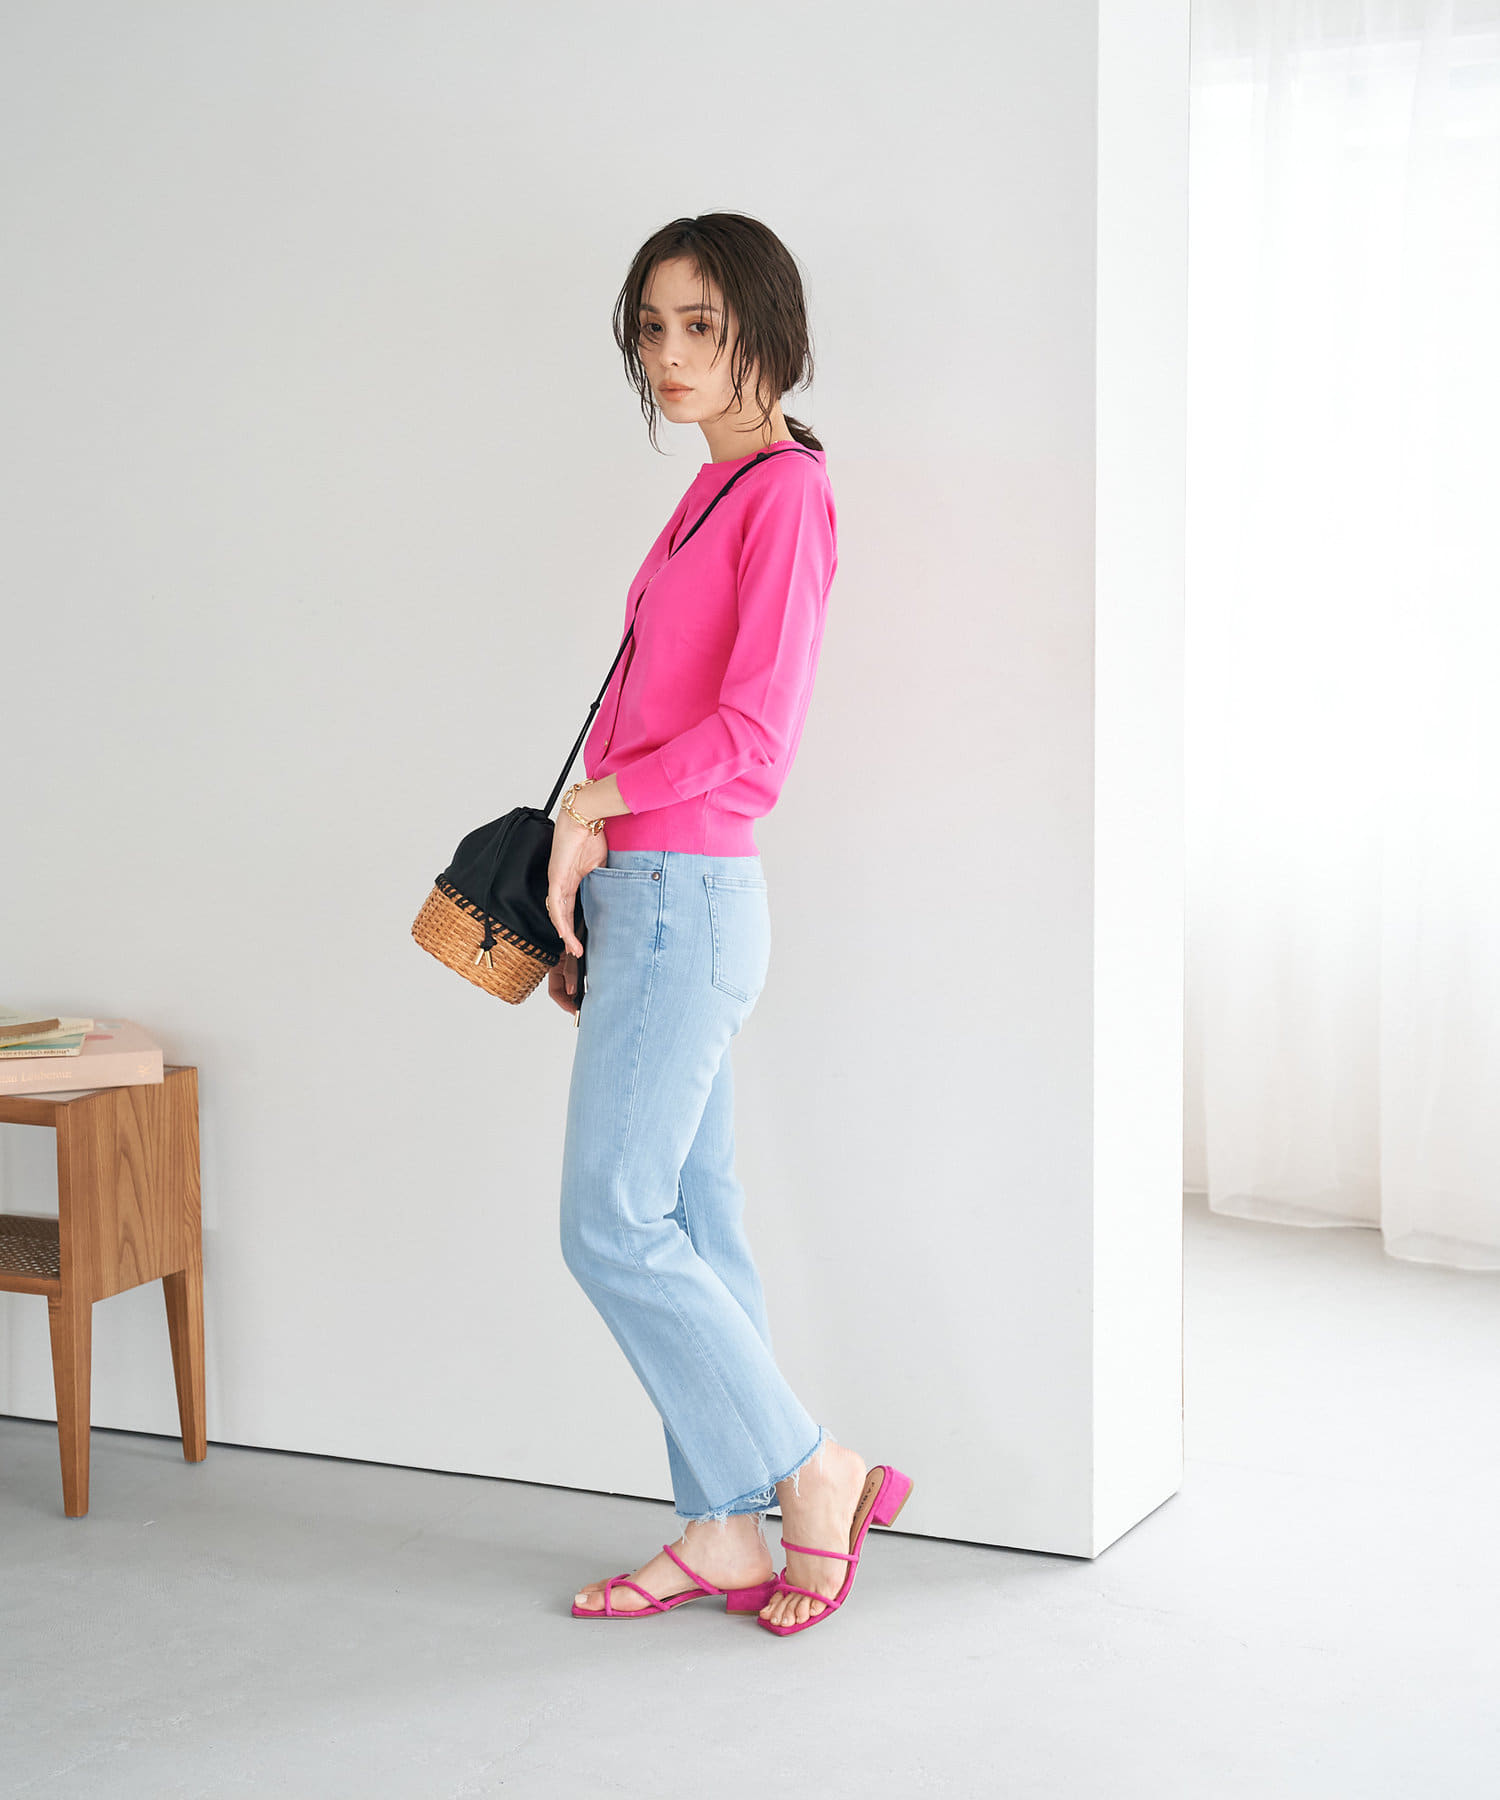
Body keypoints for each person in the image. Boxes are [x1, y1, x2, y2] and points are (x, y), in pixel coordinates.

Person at [541, 214, 909, 1634]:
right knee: (692, 1216)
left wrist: (597, 803)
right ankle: (724, 1531)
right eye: (652, 326)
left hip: (688, 895)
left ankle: (814, 1467)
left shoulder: (786, 496)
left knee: (611, 1220)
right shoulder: (709, 492)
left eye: (702, 323)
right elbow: (654, 708)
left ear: (768, 329)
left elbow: (755, 738)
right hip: (645, 894)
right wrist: (586, 857)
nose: (671, 352)